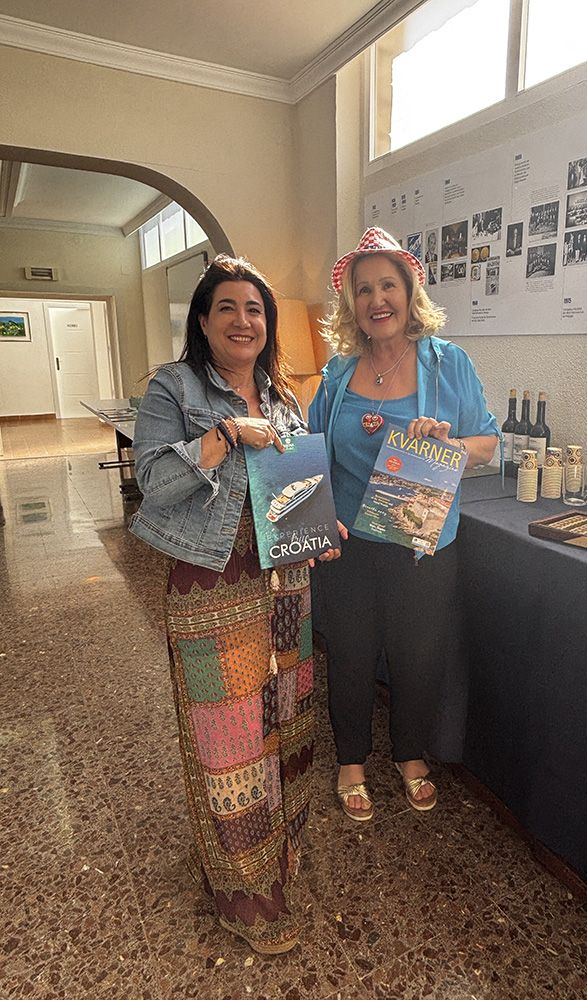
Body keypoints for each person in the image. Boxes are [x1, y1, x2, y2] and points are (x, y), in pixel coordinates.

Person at [129, 254, 343, 954]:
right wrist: (224, 436)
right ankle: (245, 893)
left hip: (286, 584)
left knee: (287, 722)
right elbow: (153, 480)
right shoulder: (174, 387)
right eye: (227, 307)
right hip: (212, 586)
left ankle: (282, 851)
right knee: (231, 742)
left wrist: (322, 527)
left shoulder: (283, 397)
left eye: (255, 309)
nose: (243, 320)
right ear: (203, 320)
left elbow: (296, 491)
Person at [308, 227, 498, 822]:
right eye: (363, 289)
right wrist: (314, 520)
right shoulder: (337, 374)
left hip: (422, 542)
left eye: (387, 285)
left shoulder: (449, 363)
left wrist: (449, 446)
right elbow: (311, 450)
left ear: (410, 293)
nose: (377, 299)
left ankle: (410, 755)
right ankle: (351, 761)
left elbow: (488, 441)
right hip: (349, 544)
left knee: (419, 654)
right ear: (352, 302)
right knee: (351, 654)